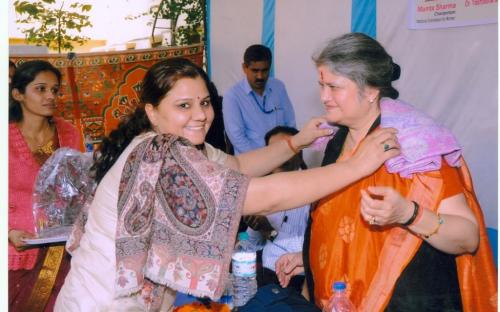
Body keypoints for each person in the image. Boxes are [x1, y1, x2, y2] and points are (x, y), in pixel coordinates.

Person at [54, 57, 400, 311]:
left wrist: (297, 142)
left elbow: (236, 166)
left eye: (205, 103)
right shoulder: (160, 154)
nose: (201, 115)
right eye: (183, 106)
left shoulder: (185, 147)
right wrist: (357, 166)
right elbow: (258, 197)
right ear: (152, 112)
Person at [275, 33, 497, 311]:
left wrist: (408, 214)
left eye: (333, 87)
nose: (323, 97)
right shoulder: (336, 140)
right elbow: (345, 229)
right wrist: (307, 258)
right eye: (321, 85)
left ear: (370, 91)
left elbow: (467, 237)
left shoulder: (413, 146)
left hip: (410, 300)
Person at [9, 60, 81, 311]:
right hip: (16, 251)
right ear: (17, 94)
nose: (51, 96)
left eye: (55, 90)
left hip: (60, 248)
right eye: (41, 89)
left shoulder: (68, 133)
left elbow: (77, 189)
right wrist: (7, 233)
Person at [245, 126, 310, 293]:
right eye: (273, 150)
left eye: (285, 148)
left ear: (299, 152)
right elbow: (254, 246)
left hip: (297, 277)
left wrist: (271, 232)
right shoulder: (264, 186)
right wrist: (255, 227)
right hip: (265, 275)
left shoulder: (313, 188)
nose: (278, 155)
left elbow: (313, 246)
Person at [223, 44, 296, 154]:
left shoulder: (278, 87)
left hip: (282, 157)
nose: (260, 76)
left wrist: (287, 151)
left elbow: (290, 123)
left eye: (265, 70)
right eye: (255, 70)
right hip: (252, 162)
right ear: (244, 68)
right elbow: (238, 139)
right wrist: (265, 160)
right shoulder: (232, 96)